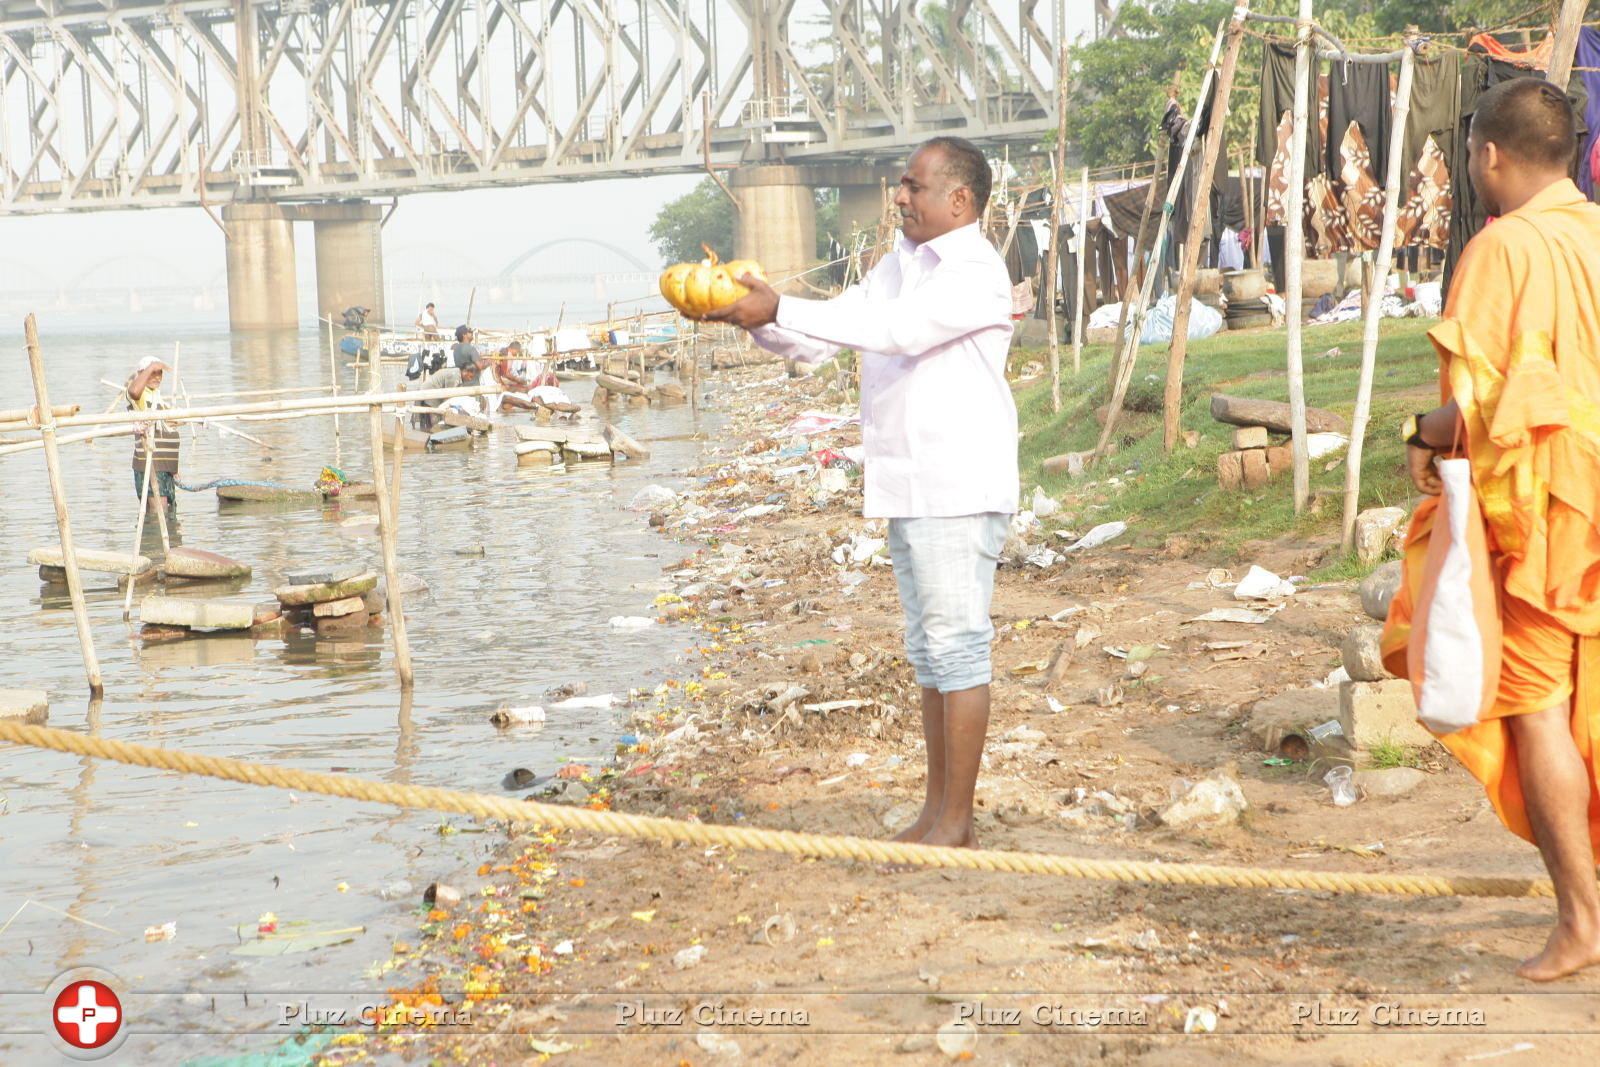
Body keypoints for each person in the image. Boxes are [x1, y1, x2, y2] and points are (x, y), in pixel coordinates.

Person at [707, 136, 1017, 852]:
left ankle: (956, 821)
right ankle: (936, 811)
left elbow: (896, 333)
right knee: (931, 654)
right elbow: (826, 336)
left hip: (956, 480)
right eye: (901, 186)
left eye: (913, 186)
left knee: (959, 651)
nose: (899, 198)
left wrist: (783, 303)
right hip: (907, 479)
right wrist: (757, 317)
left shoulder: (973, 270)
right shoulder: (899, 265)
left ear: (959, 201)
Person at [1392, 78, 1600, 981]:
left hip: (1549, 517)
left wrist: (1418, 433)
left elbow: (1474, 406)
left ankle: (1583, 922)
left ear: (1488, 155)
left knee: (1538, 711)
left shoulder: (1504, 247)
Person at [126, 356, 179, 512]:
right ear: (141, 373)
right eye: (152, 373)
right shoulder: (139, 395)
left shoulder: (157, 397)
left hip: (165, 468)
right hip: (151, 466)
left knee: (170, 514)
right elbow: (133, 392)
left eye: (159, 373)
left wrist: (173, 469)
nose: (157, 377)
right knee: (158, 515)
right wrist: (151, 367)